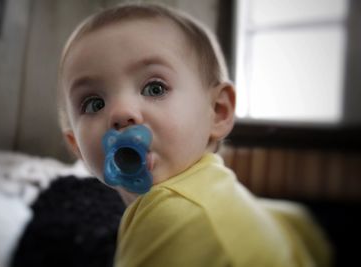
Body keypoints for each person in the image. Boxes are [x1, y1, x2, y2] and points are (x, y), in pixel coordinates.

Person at [57, 3, 332, 266]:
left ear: (218, 110)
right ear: (77, 148)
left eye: (155, 88)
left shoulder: (171, 215)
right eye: (93, 103)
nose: (120, 113)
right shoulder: (214, 192)